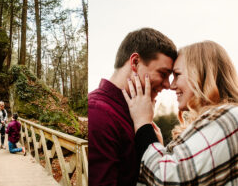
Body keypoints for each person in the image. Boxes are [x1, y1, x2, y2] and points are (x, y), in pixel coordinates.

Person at [123, 41, 238, 185]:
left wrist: (143, 125)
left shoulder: (230, 117)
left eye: (177, 74)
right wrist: (160, 149)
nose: (171, 85)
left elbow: (167, 179)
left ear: (202, 74)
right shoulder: (218, 120)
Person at [88, 28, 177, 186]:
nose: (168, 85)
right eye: (163, 73)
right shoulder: (98, 114)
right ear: (135, 62)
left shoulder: (136, 113)